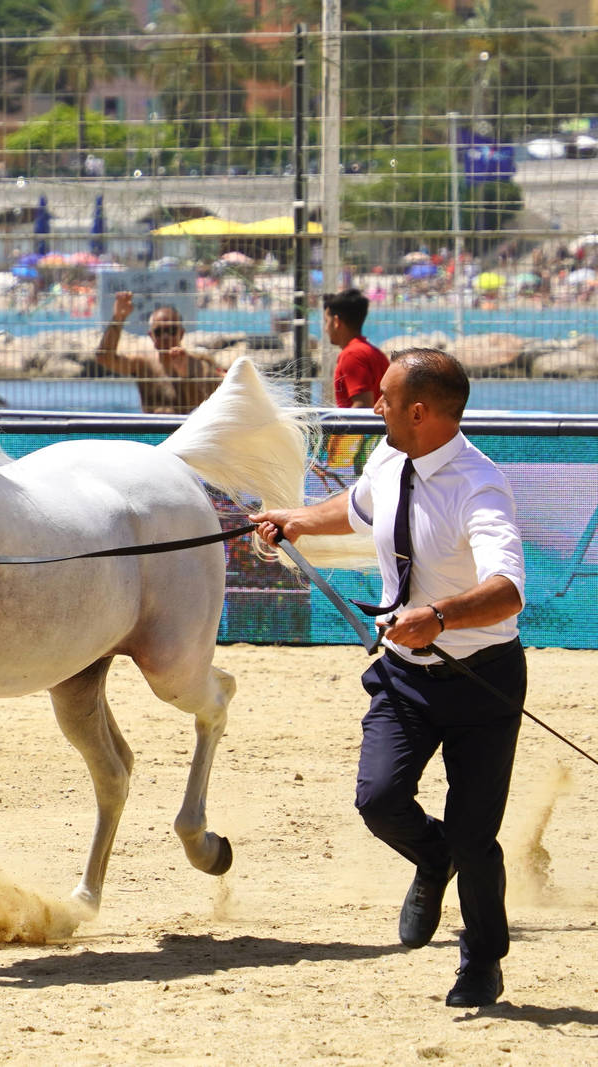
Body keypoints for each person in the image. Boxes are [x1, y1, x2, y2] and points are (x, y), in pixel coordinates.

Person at [251, 348, 526, 1009]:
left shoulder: (479, 487)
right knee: (378, 800)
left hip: (482, 683)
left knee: (475, 837)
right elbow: (359, 506)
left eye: (385, 398)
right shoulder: (391, 457)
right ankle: (432, 858)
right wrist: (294, 519)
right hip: (404, 676)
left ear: (420, 412)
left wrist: (441, 616)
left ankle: (481, 963)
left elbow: (508, 590)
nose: (374, 406)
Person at [94, 290, 221, 414]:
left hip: (185, 426)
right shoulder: (143, 363)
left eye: (171, 330)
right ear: (151, 336)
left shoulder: (198, 364)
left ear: (181, 333)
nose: (165, 336)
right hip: (151, 427)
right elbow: (104, 358)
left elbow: (209, 403)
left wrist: (186, 377)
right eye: (159, 332)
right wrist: (118, 318)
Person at [325, 288, 389, 408]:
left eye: (326, 321)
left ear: (336, 321)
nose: (325, 329)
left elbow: (363, 405)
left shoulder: (352, 355)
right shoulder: (375, 352)